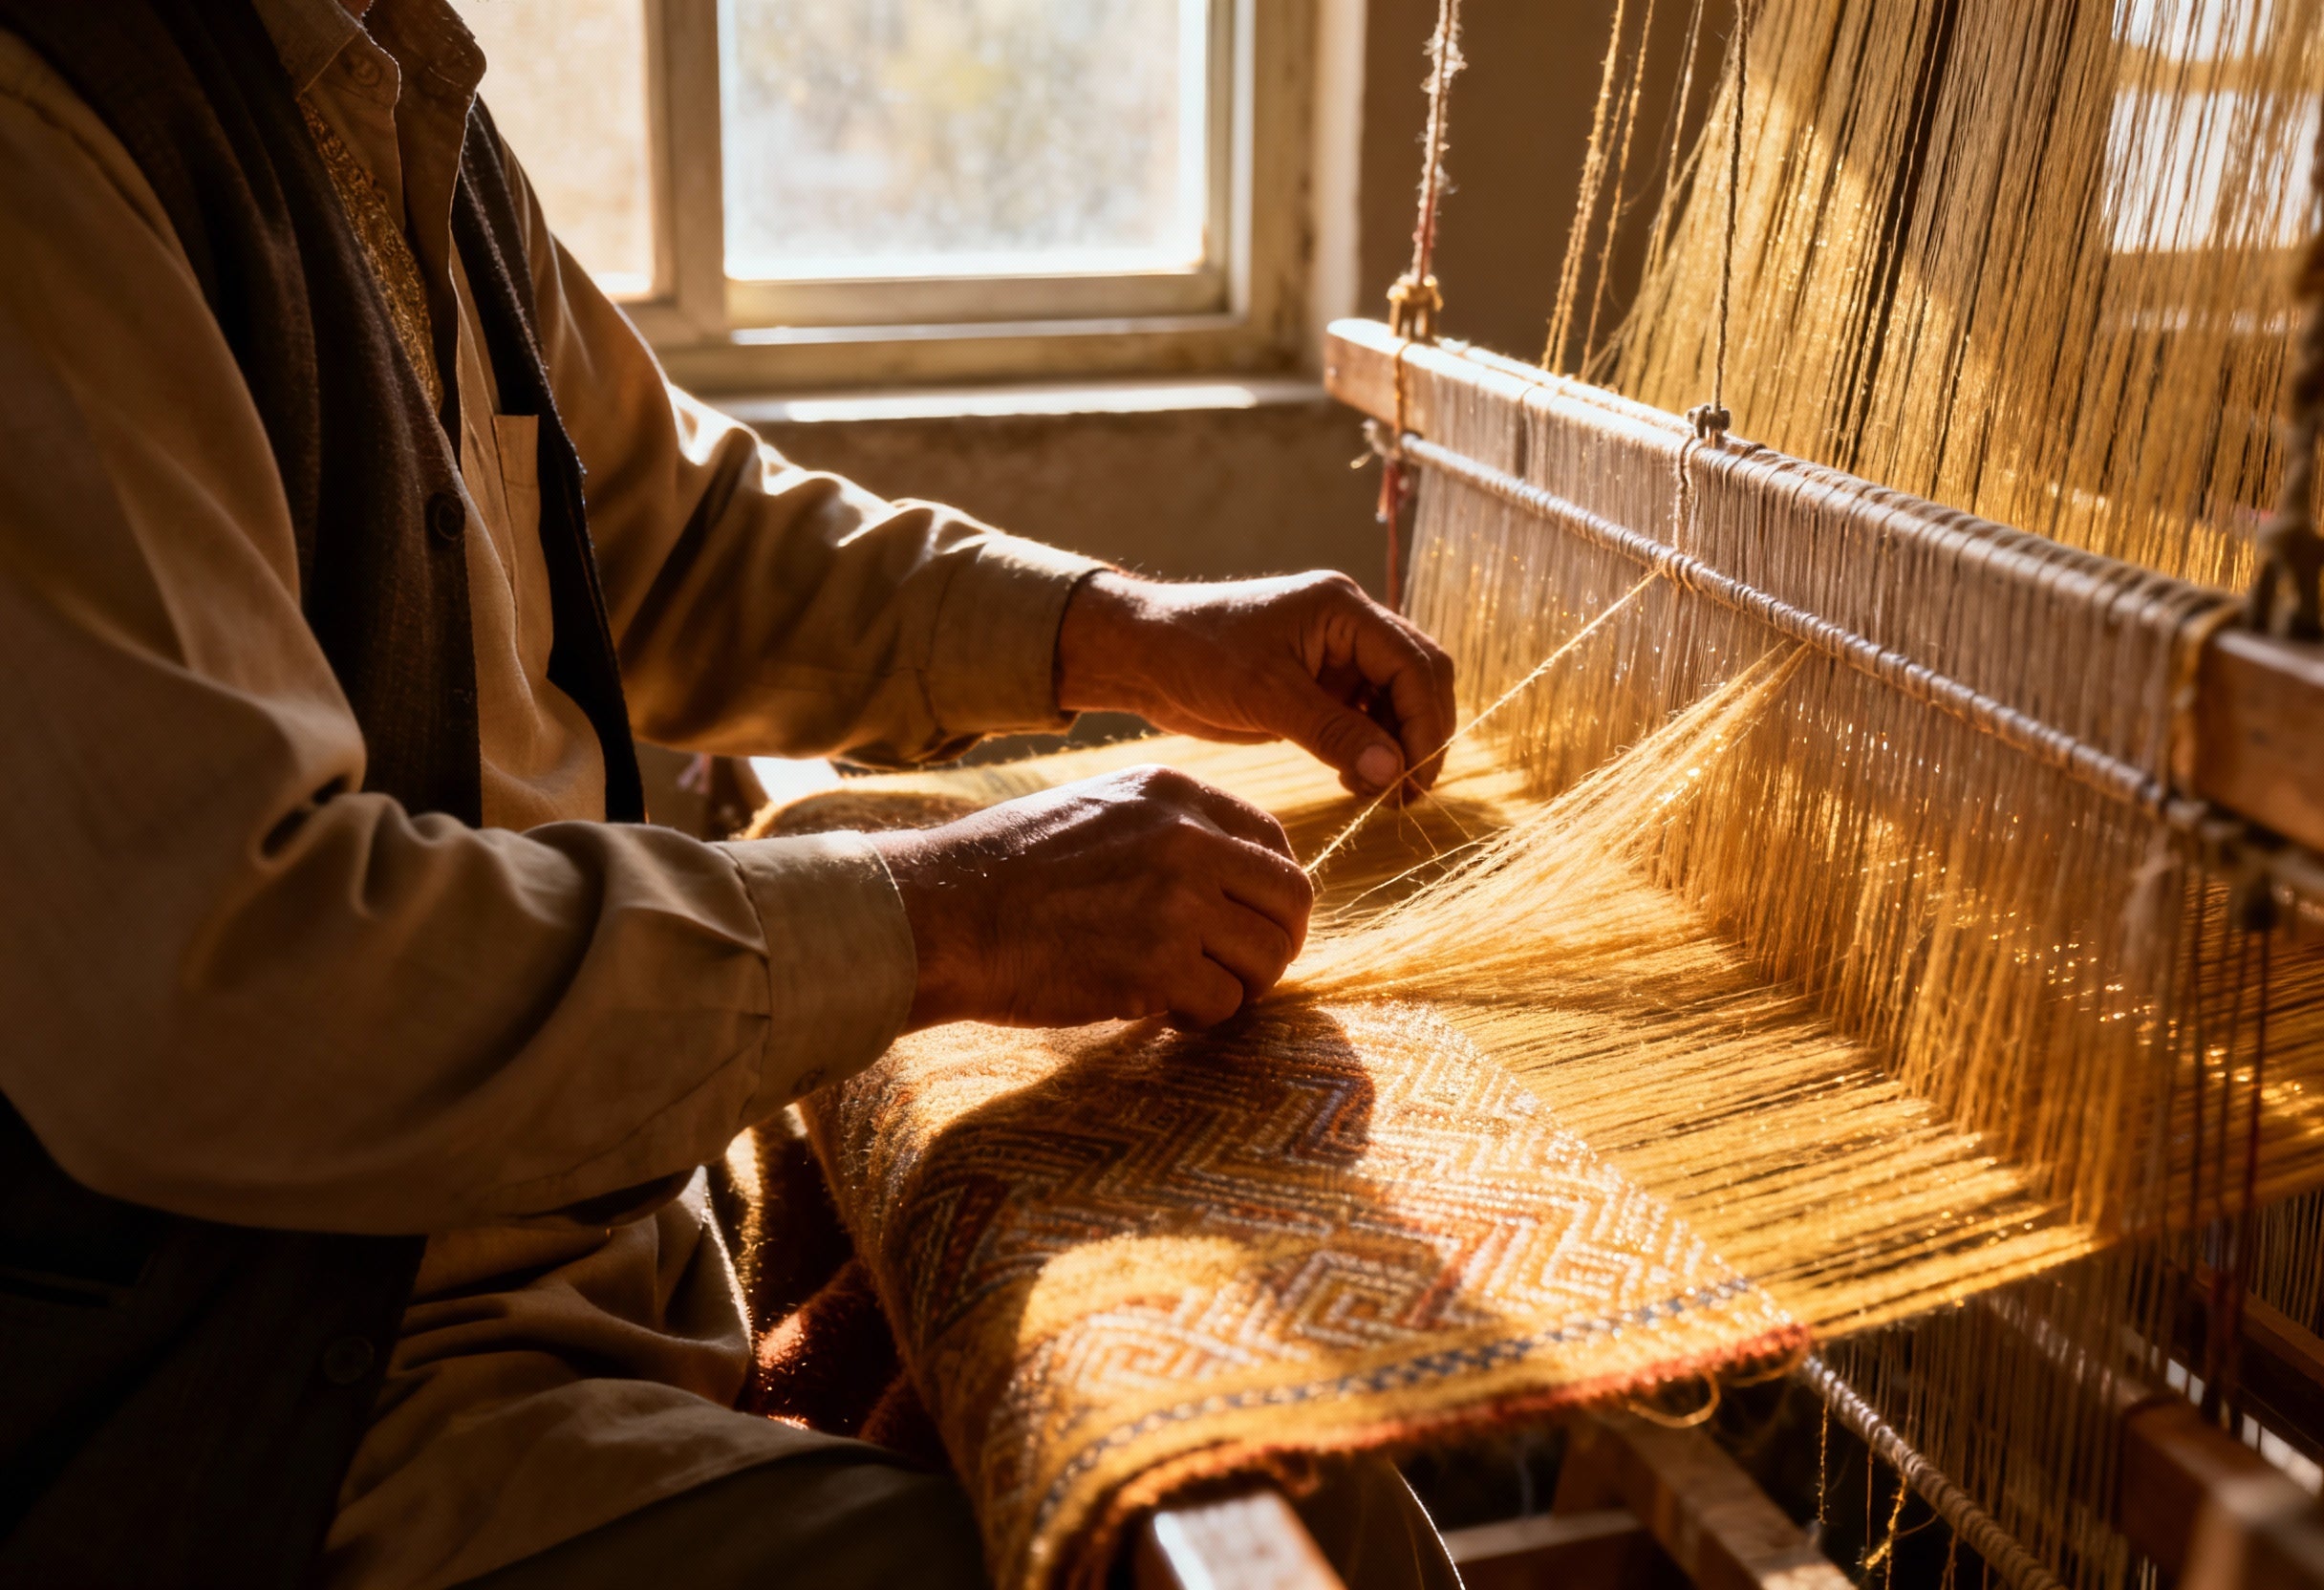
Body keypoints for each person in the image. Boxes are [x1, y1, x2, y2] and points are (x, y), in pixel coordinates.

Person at [0, 0, 1457, 1585]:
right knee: (1278, 1557)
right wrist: (957, 913)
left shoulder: (385, 87)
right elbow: (237, 984)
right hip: (311, 1419)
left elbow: (670, 539)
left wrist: (1132, 632)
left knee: (1311, 1493)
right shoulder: (52, 155)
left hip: (591, 1281)